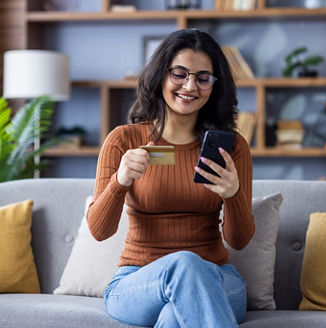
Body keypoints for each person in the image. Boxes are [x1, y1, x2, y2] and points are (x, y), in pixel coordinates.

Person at [86, 28, 255, 328]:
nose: (190, 86)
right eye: (179, 74)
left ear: (214, 86)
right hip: (137, 281)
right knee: (184, 264)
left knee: (174, 315)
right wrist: (120, 181)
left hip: (218, 277)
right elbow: (99, 231)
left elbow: (239, 241)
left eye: (203, 78)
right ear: (160, 76)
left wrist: (233, 195)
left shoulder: (232, 147)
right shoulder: (123, 141)